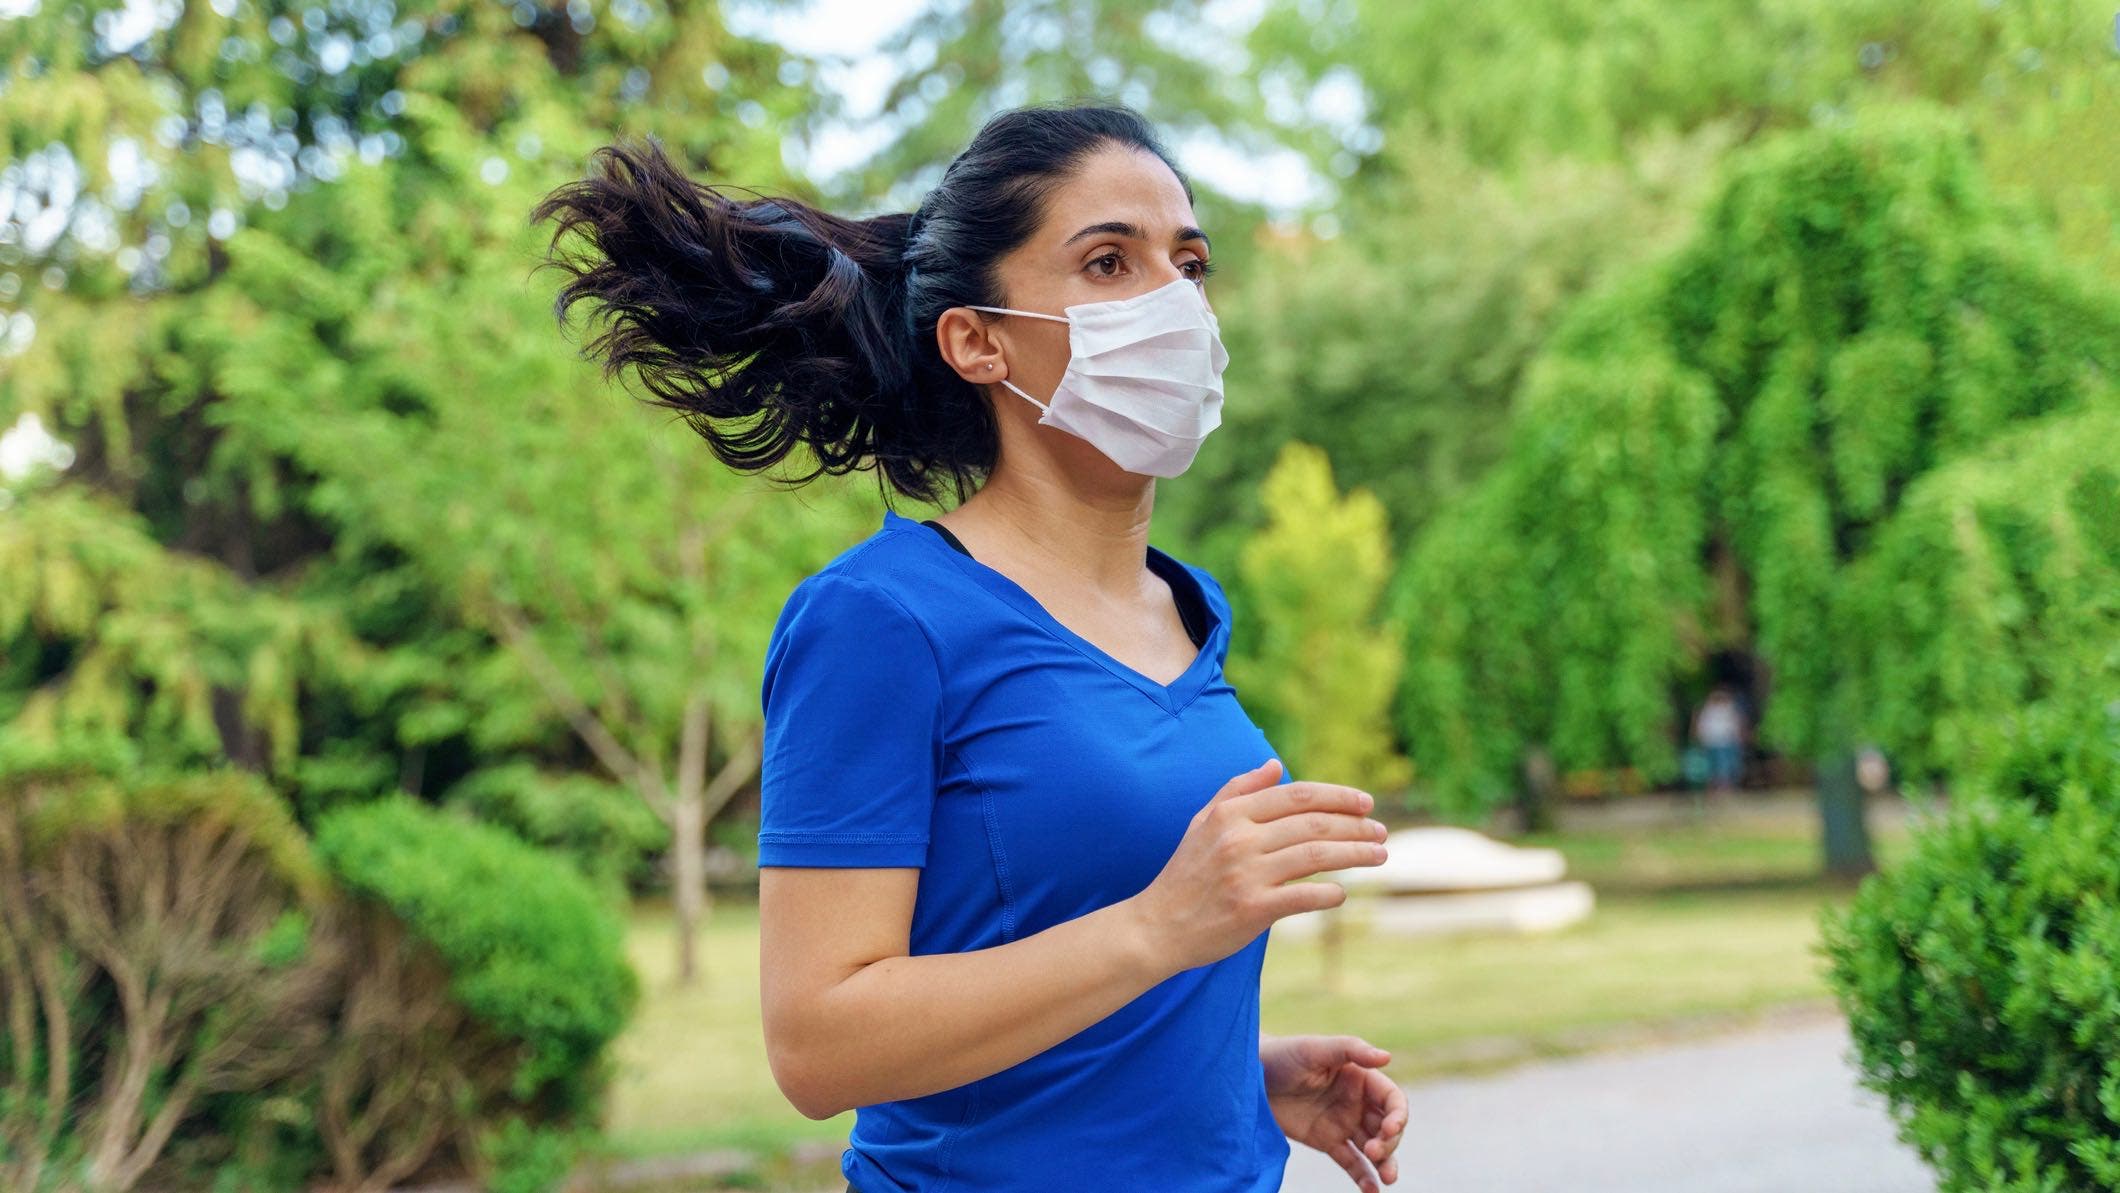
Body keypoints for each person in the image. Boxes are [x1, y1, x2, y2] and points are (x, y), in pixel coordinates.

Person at [532, 101, 1409, 1192]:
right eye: (1107, 261)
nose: (1174, 303)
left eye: (1188, 264)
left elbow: (1066, 945)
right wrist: (1159, 925)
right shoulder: (880, 619)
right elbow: (816, 1041)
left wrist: (1229, 1073)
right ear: (976, 338)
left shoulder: (1185, 609)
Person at [1692, 686, 1747, 793]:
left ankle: (1723, 789)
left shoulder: (1728, 707)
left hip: (1726, 741)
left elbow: (1736, 724)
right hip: (1712, 742)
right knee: (1714, 767)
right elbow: (1702, 725)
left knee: (1724, 767)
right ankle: (1716, 789)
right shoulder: (1708, 708)